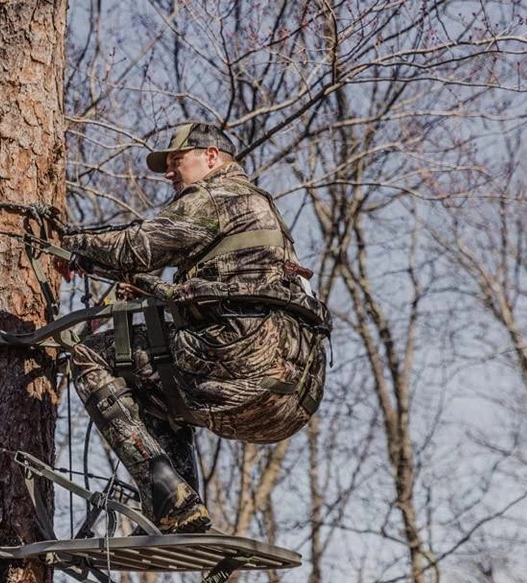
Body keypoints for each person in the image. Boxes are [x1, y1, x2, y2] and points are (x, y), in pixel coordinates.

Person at [60, 122, 329, 534]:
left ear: (211, 156)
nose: (169, 173)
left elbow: (137, 248)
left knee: (92, 352)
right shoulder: (261, 210)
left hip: (235, 369)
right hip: (292, 395)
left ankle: (168, 497)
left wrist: (65, 241)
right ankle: (179, 510)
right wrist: (107, 269)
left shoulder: (213, 196)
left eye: (176, 161)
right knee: (152, 384)